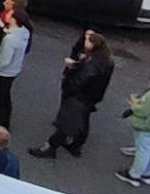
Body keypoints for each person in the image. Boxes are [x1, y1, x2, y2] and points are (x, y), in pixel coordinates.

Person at [33, 30, 117, 159]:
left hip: (80, 96)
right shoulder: (106, 60)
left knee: (66, 123)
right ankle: (76, 145)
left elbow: (81, 80)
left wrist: (69, 86)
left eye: (88, 41)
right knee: (83, 120)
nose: (85, 42)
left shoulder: (93, 63)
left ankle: (51, 147)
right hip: (91, 96)